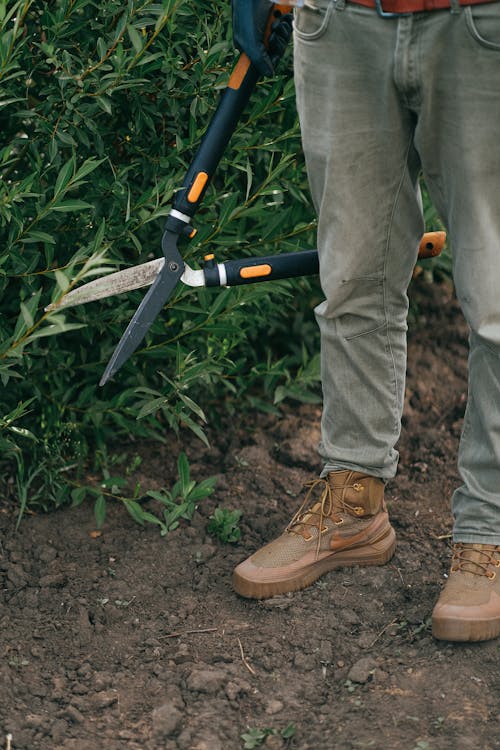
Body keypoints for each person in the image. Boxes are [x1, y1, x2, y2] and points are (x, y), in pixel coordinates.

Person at [230, 0, 500, 643]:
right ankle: (352, 502)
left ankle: (489, 530)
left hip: (478, 23)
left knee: (495, 303)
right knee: (353, 279)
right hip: (340, 21)